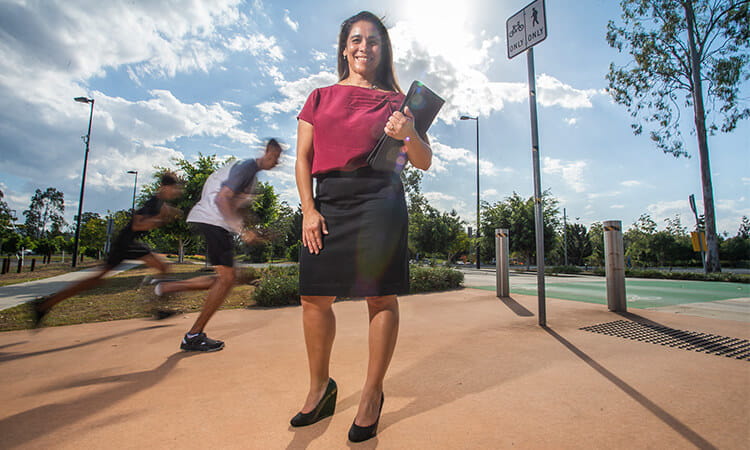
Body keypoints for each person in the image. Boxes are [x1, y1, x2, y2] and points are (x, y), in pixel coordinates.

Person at [291, 11, 432, 443]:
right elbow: (302, 159)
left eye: (373, 41)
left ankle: (372, 394)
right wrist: (309, 210)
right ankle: (320, 387)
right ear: (344, 48)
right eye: (356, 39)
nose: (364, 47)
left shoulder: (401, 102)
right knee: (313, 295)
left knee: (380, 296)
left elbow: (422, 161)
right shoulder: (318, 97)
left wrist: (409, 133)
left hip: (380, 199)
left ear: (383, 49)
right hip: (328, 199)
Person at [154, 139, 282, 352]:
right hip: (213, 220)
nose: (277, 163)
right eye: (276, 157)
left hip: (213, 222)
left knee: (225, 279)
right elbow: (223, 199)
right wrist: (243, 232)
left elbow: (234, 205)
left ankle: (166, 287)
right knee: (227, 279)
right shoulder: (248, 167)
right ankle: (193, 336)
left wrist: (253, 229)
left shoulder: (248, 175)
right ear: (268, 152)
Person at [32, 172, 184, 326]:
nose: (176, 192)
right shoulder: (153, 202)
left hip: (127, 242)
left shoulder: (159, 203)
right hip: (126, 243)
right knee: (163, 267)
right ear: (164, 187)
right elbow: (137, 224)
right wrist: (161, 218)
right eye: (174, 188)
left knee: (95, 280)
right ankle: (158, 308)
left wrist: (169, 214)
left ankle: (45, 304)